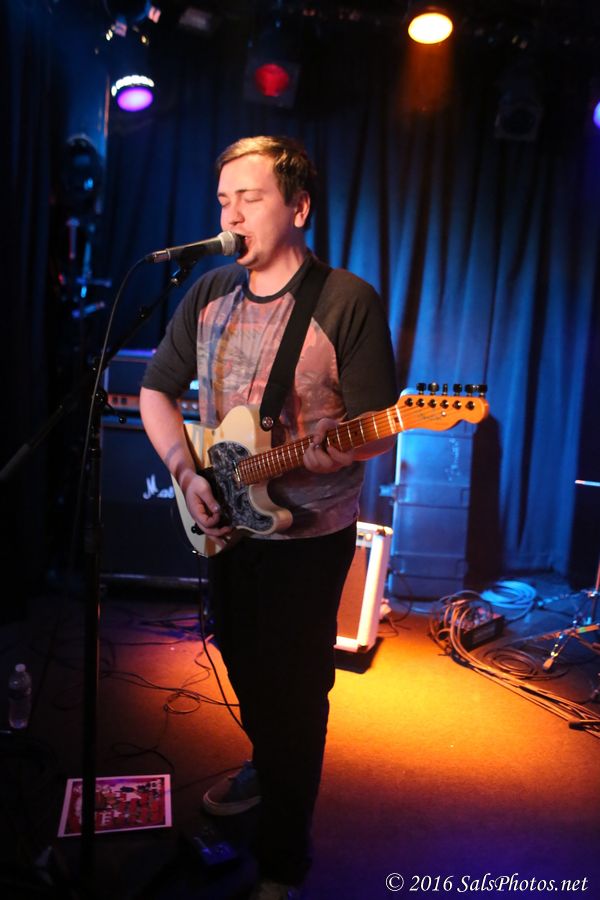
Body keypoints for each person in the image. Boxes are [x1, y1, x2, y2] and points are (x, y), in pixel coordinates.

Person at [139, 135, 398, 900]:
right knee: (241, 660)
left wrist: (330, 451)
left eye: (249, 199)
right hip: (227, 521)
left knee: (297, 691)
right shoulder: (208, 293)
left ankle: (285, 860)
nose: (231, 214)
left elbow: (379, 429)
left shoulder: (346, 301)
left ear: (299, 207)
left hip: (309, 536)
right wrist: (185, 471)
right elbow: (155, 391)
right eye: (224, 200)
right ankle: (269, 763)